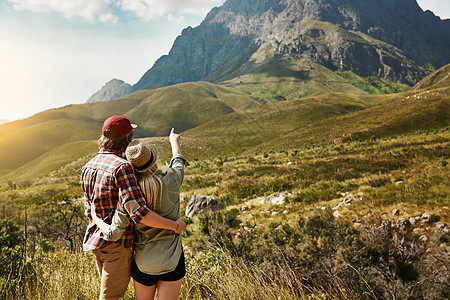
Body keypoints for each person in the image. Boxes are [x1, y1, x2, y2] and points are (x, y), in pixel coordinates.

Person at [81, 116, 186, 300]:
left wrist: (96, 220)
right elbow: (139, 213)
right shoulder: (123, 169)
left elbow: (89, 204)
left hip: (99, 243)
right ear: (127, 138)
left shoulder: (87, 167)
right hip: (120, 247)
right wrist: (175, 226)